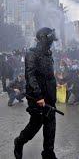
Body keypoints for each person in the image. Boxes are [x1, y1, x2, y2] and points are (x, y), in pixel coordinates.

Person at [14, 27, 58, 159]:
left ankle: (48, 153)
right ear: (44, 39)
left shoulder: (48, 53)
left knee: (50, 125)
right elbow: (30, 76)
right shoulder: (31, 54)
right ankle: (19, 141)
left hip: (50, 95)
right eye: (50, 40)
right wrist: (38, 97)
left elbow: (49, 75)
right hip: (37, 97)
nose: (52, 42)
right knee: (35, 124)